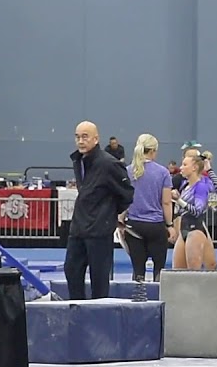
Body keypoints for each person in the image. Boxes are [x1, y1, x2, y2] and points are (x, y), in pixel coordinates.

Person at [66, 121, 135, 300]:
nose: (80, 141)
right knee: (71, 270)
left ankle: (98, 312)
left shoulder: (109, 164)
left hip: (99, 231)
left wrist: (107, 214)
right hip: (78, 228)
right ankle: (77, 309)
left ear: (96, 139)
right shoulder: (79, 161)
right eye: (77, 137)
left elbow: (127, 194)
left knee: (99, 280)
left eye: (85, 137)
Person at [123, 134, 173, 289]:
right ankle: (158, 297)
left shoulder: (128, 171)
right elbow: (166, 202)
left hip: (134, 226)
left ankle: (138, 297)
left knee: (138, 270)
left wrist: (120, 221)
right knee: (159, 269)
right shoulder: (163, 172)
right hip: (155, 225)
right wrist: (170, 225)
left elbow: (124, 199)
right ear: (153, 151)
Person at [172, 153, 215, 270]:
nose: (181, 167)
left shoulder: (201, 186)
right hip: (183, 228)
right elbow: (180, 211)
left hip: (195, 229)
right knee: (178, 271)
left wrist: (179, 200)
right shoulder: (185, 185)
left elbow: (197, 211)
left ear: (194, 168)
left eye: (185, 165)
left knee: (193, 272)